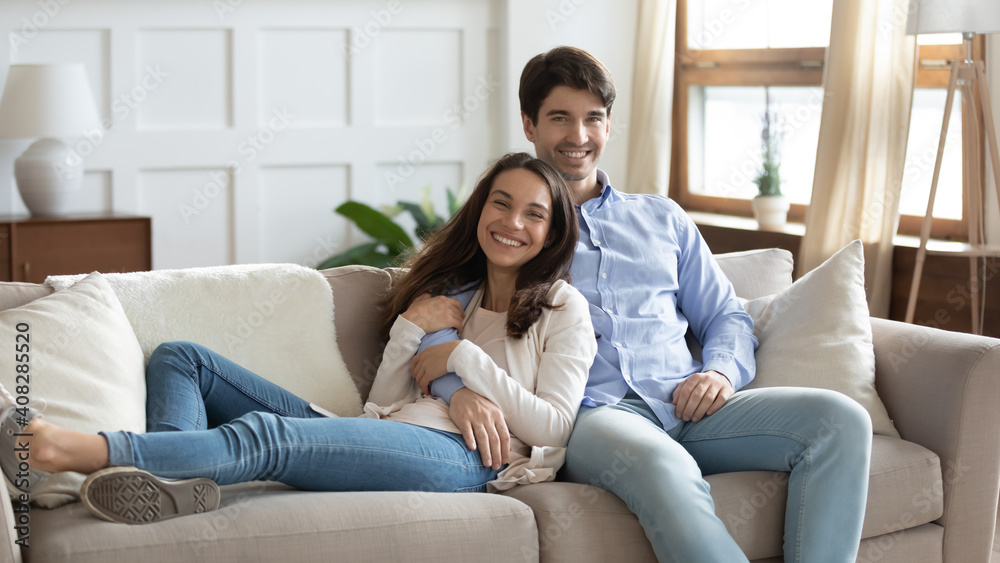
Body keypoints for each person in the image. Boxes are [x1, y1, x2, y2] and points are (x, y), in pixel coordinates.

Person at [431, 47, 873, 563]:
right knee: (664, 466)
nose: (578, 137)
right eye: (559, 118)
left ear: (609, 125)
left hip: (688, 404)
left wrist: (721, 373)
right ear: (529, 125)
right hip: (596, 418)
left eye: (592, 119)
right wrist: (458, 391)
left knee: (840, 420)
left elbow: (727, 316)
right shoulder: (516, 227)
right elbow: (438, 323)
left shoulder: (664, 219)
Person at [0, 151, 596, 525]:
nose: (512, 222)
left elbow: (553, 427)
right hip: (388, 430)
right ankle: (175, 480)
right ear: (480, 209)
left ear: (552, 231)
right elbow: (379, 402)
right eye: (501, 202)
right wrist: (416, 328)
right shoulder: (451, 297)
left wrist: (462, 362)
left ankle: (70, 449)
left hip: (462, 459)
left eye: (533, 213)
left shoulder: (561, 308)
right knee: (182, 359)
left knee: (265, 437)